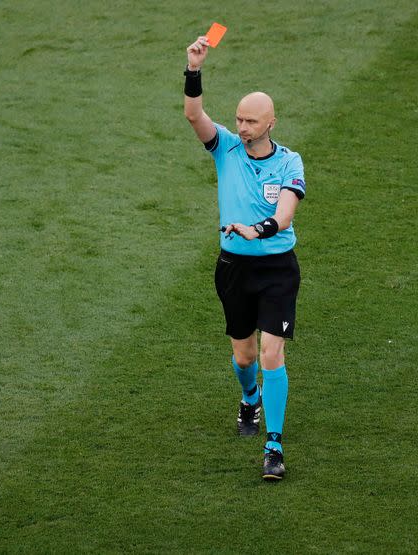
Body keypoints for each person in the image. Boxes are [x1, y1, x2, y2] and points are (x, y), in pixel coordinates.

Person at [183, 35, 306, 480]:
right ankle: (249, 397)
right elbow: (194, 114)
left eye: (251, 121)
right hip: (234, 268)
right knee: (244, 355)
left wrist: (258, 229)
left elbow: (287, 214)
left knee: (273, 353)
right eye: (239, 119)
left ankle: (274, 446)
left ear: (272, 122)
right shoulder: (226, 148)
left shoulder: (291, 162)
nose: (243, 126)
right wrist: (193, 69)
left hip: (276, 268)